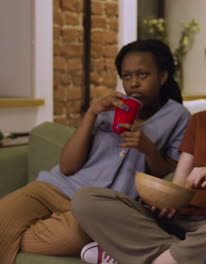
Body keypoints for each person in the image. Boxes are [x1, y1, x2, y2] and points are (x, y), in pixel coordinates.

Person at [72, 31, 206, 264]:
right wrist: (165, 200)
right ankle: (176, 255)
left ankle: (141, 256)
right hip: (178, 222)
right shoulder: (200, 121)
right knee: (86, 199)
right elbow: (179, 183)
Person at [0, 38, 190, 263]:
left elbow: (169, 173)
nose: (134, 83)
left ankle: (102, 240)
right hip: (53, 188)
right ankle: (105, 243)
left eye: (142, 74)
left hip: (99, 206)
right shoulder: (109, 111)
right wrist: (91, 114)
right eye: (127, 76)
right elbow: (68, 166)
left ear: (163, 76)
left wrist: (148, 149)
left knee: (55, 237)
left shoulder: (177, 116)